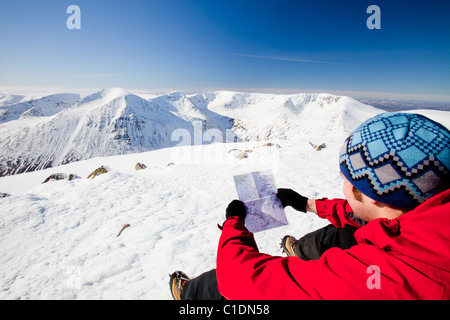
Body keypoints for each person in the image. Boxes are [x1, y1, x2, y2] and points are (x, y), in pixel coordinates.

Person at [170, 112, 450, 300]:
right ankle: (301, 250)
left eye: (346, 180)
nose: (342, 186)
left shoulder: (381, 275)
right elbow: (366, 216)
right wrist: (307, 204)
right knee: (343, 233)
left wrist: (234, 223)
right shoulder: (428, 211)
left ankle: (190, 295)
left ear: (373, 194)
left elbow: (242, 279)